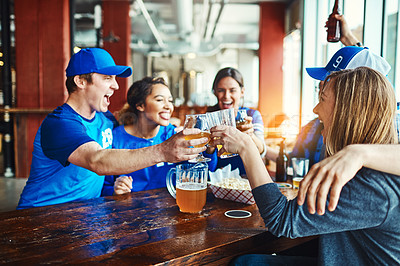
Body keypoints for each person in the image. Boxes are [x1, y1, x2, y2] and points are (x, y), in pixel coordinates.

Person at [212, 67, 400, 265]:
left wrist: (246, 148)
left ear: (346, 110)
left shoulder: (369, 185)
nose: (315, 109)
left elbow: (281, 220)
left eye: (323, 98)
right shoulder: (377, 163)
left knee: (246, 263)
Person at [17, 48, 207, 209]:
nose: (116, 86)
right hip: (43, 214)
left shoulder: (105, 118)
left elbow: (130, 134)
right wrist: (164, 151)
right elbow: (97, 160)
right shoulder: (60, 123)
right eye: (107, 78)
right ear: (81, 81)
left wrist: (165, 123)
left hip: (86, 213)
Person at [101, 77, 217, 195]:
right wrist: (115, 190)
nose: (168, 106)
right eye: (160, 100)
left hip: (170, 206)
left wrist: (210, 149)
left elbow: (201, 175)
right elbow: (103, 187)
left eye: (170, 101)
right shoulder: (115, 139)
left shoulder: (173, 135)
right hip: (131, 209)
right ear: (140, 105)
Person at [207, 67, 266, 175]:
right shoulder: (209, 118)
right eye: (221, 90)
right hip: (217, 182)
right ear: (215, 92)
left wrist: (251, 135)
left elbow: (261, 151)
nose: (226, 96)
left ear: (242, 92)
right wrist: (210, 146)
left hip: (246, 180)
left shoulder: (251, 116)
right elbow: (208, 169)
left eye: (232, 90)